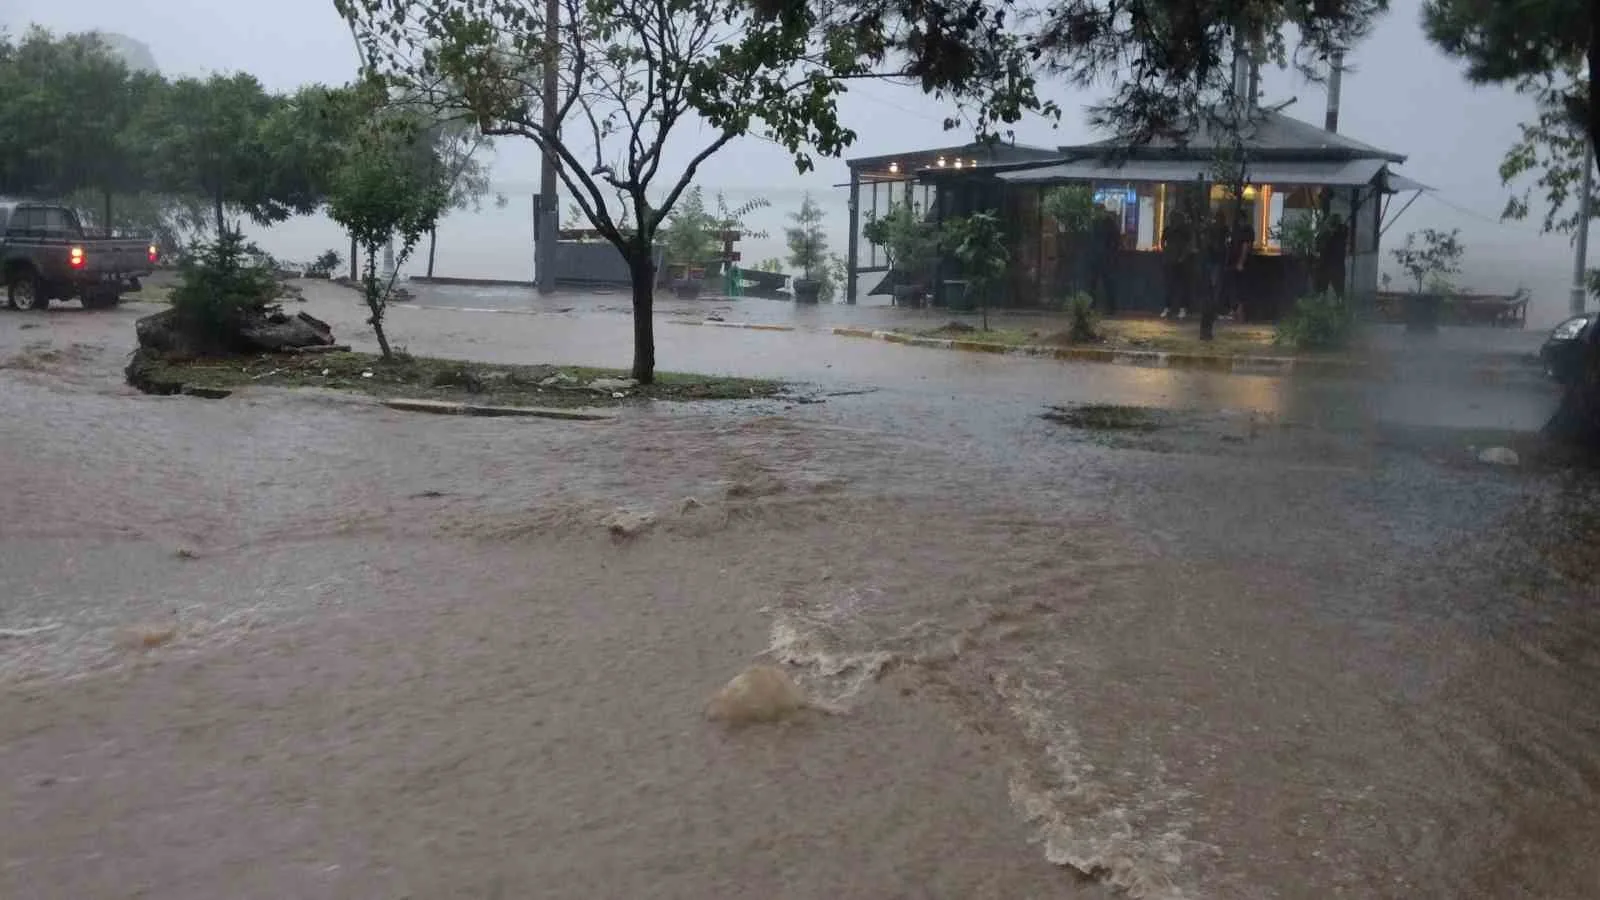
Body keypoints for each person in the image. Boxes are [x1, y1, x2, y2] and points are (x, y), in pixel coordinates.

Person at [1160, 206, 1195, 319]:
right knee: (1170, 286)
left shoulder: (1184, 230)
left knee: (1181, 286)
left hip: (1180, 262)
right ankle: (1169, 308)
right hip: (1170, 260)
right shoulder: (1168, 229)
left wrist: (1183, 256)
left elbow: (1189, 244)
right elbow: (1162, 241)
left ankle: (1181, 308)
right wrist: (1165, 251)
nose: (1173, 219)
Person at [1087, 203, 1122, 316]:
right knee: (1093, 283)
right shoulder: (1095, 223)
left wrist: (1111, 253)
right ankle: (1091, 306)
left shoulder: (1109, 223)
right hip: (1096, 257)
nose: (1097, 214)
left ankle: (1111, 308)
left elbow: (1116, 240)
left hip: (1106, 258)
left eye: (1098, 211)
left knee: (1108, 283)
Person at [1314, 212, 1349, 297]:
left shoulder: (1342, 231)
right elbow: (1317, 245)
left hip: (1333, 264)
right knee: (1326, 285)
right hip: (1329, 264)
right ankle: (1326, 297)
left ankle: (1337, 300)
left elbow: (1317, 246)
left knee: (1338, 287)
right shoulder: (1326, 233)